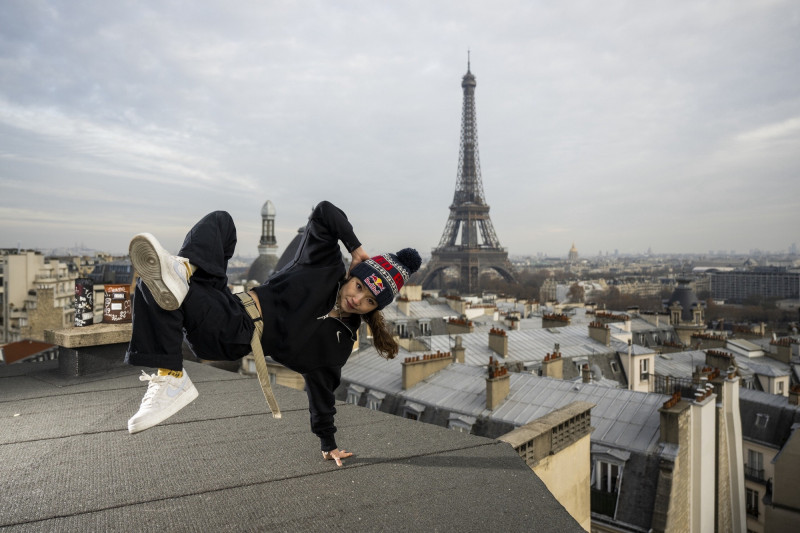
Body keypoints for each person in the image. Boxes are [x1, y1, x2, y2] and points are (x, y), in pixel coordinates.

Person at [124, 200, 420, 467]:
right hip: (227, 302)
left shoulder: (338, 343)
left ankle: (171, 376)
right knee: (220, 221)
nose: (358, 300)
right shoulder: (323, 267)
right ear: (352, 274)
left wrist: (328, 443)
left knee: (152, 283)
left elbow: (322, 390)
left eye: (369, 301)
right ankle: (184, 271)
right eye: (359, 287)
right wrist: (355, 248)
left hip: (234, 332)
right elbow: (324, 212)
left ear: (373, 309)